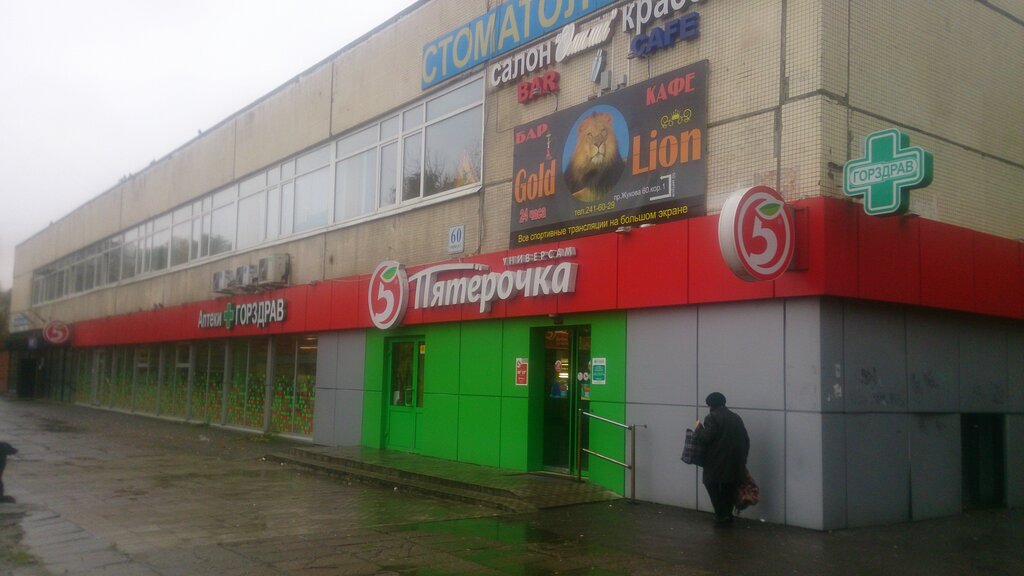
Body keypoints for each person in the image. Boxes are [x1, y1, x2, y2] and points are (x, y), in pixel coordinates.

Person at [692, 392, 749, 525]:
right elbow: (746, 439)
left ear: (711, 405)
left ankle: (721, 516)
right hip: (735, 461)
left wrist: (698, 427)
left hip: (717, 461)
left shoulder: (712, 417)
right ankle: (728, 516)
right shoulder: (736, 417)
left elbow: (706, 438)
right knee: (728, 489)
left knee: (711, 484)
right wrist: (742, 459)